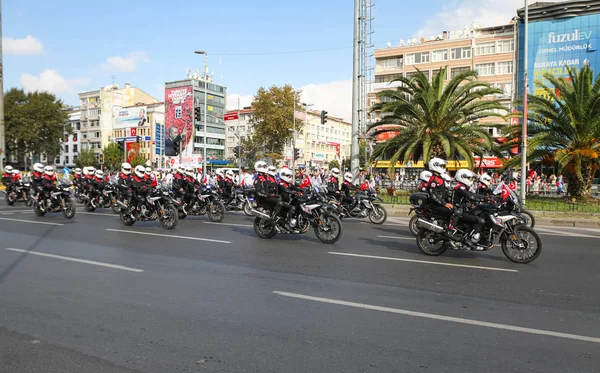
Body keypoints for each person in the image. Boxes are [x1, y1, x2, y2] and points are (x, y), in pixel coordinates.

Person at [451, 169, 487, 247]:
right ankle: (468, 239)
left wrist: (486, 197)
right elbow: (470, 195)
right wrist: (483, 198)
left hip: (463, 209)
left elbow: (471, 194)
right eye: (468, 178)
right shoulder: (460, 187)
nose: (470, 180)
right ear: (462, 177)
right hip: (458, 210)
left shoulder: (464, 186)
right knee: (480, 221)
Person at [425, 158, 455, 229]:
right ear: (435, 166)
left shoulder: (439, 178)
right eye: (442, 166)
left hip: (440, 202)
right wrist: (445, 204)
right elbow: (434, 195)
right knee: (454, 211)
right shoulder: (434, 180)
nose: (444, 168)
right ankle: (449, 229)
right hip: (435, 204)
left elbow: (443, 192)